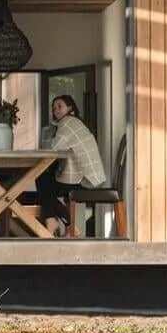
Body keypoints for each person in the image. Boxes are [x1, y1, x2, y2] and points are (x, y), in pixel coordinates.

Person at [37, 94, 108, 236]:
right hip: (88, 177)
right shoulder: (73, 122)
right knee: (45, 183)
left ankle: (54, 221)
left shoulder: (68, 123)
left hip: (85, 180)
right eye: (54, 107)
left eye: (60, 106)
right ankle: (65, 223)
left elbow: (54, 147)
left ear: (70, 107)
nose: (56, 110)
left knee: (43, 181)